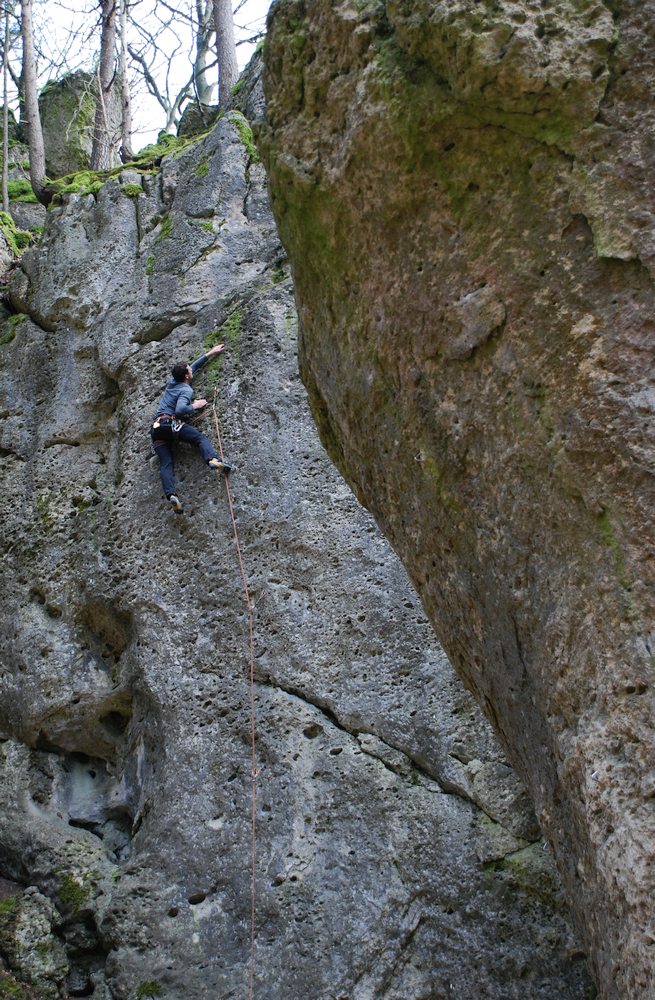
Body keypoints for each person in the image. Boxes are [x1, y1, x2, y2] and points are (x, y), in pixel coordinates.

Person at [150, 344, 231, 513]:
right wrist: (195, 405)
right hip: (169, 423)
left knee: (166, 462)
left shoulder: (173, 383)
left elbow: (192, 367)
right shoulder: (186, 389)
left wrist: (209, 354)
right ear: (187, 376)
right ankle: (212, 460)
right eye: (189, 370)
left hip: (156, 429)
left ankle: (171, 495)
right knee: (199, 438)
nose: (191, 369)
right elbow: (180, 410)